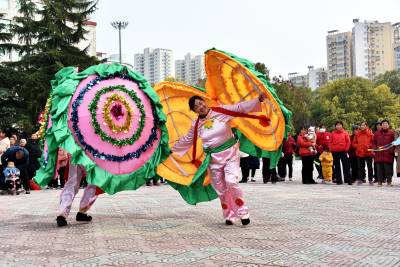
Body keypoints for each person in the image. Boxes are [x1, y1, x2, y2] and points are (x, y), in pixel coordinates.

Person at [172, 93, 267, 226]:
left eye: (201, 103)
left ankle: (243, 212)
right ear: (193, 111)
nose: (200, 107)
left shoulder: (220, 111)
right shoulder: (196, 124)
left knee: (231, 181)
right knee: (221, 188)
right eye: (196, 106)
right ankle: (229, 215)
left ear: (205, 102)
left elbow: (239, 108)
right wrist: (172, 150)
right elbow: (187, 139)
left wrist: (257, 100)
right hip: (213, 160)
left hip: (230, 154)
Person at [56, 156, 98, 227]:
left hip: (74, 150)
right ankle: (82, 211)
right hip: (90, 151)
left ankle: (62, 213)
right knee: (94, 181)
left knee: (72, 182)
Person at [372, 119, 395, 186]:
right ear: (381, 125)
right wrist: (375, 149)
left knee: (388, 169)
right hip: (379, 154)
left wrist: (391, 150)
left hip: (388, 154)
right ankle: (380, 182)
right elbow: (373, 142)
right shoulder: (376, 133)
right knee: (379, 169)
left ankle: (389, 181)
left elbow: (394, 143)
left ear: (388, 125)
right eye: (383, 124)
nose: (385, 125)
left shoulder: (392, 133)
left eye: (386, 124)